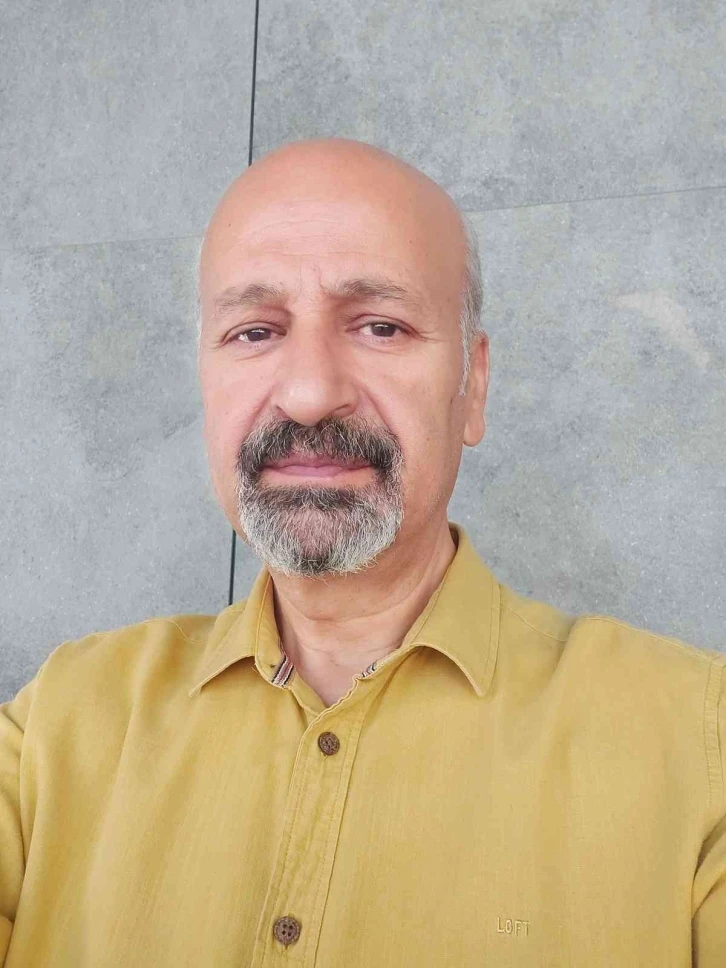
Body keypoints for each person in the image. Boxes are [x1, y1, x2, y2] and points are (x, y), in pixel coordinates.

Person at [0, 137, 723, 967]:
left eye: (381, 326)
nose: (311, 393)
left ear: (474, 384)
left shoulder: (699, 744)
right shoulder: (56, 725)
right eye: (254, 331)